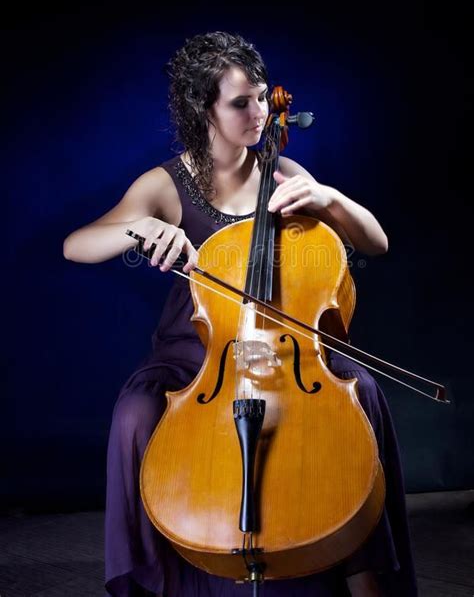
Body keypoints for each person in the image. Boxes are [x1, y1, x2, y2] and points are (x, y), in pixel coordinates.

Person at [63, 31, 418, 597]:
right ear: (202, 109)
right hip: (195, 359)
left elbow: (374, 243)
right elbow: (76, 244)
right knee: (134, 414)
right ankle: (162, 574)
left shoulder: (283, 173)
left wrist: (330, 200)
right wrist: (141, 227)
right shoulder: (167, 184)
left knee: (364, 391)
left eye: (260, 98)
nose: (257, 112)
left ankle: (363, 571)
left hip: (284, 350)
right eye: (239, 102)